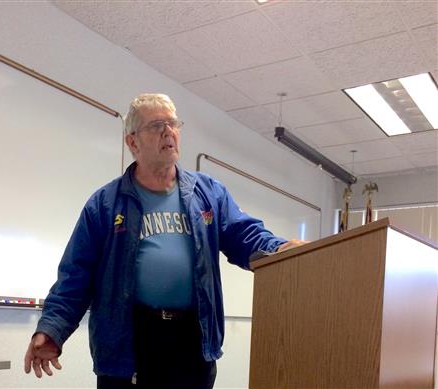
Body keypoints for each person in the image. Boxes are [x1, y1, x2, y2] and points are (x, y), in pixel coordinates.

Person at [24, 93, 306, 389]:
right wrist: (52, 329)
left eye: (173, 123)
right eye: (157, 125)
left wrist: (278, 249)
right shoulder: (105, 204)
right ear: (132, 142)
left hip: (192, 342)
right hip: (128, 344)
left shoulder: (208, 194)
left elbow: (243, 235)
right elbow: (75, 275)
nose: (168, 132)